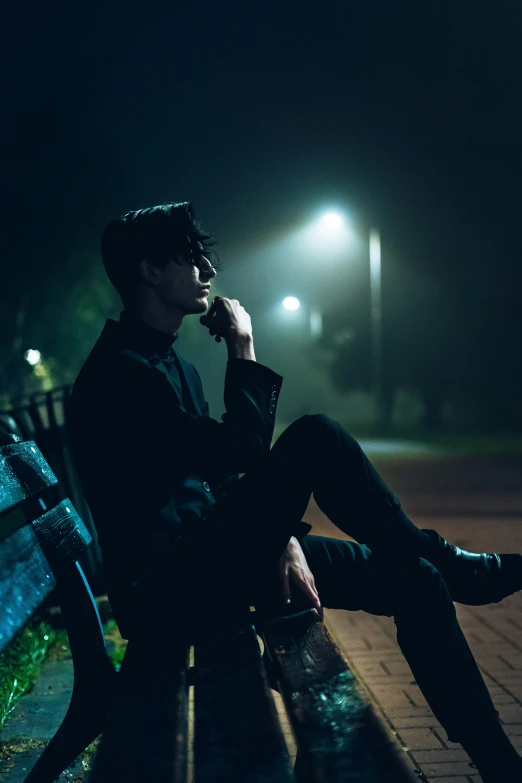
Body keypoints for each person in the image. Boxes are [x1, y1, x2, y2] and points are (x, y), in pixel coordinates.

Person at [68, 201, 522, 782]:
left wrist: (280, 534)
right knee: (314, 436)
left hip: (216, 558)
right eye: (190, 256)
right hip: (173, 589)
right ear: (150, 271)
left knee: (416, 581)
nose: (208, 268)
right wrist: (243, 348)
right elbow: (244, 454)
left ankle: (498, 763)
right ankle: (451, 562)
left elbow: (226, 478)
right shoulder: (122, 373)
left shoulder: (169, 365)